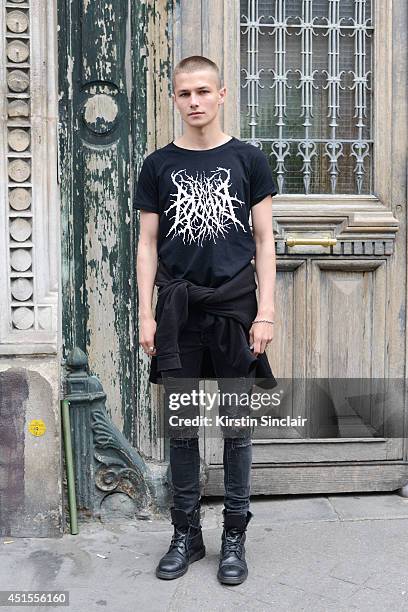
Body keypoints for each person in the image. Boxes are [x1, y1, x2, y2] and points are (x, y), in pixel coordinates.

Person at [134, 55, 278, 585]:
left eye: (202, 92)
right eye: (183, 93)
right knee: (182, 430)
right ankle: (186, 534)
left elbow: (265, 241)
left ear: (221, 95)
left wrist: (265, 313)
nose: (193, 102)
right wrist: (146, 313)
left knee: (237, 430)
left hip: (236, 308)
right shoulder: (158, 165)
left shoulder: (248, 159)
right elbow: (147, 244)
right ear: (174, 98)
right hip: (177, 311)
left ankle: (235, 536)